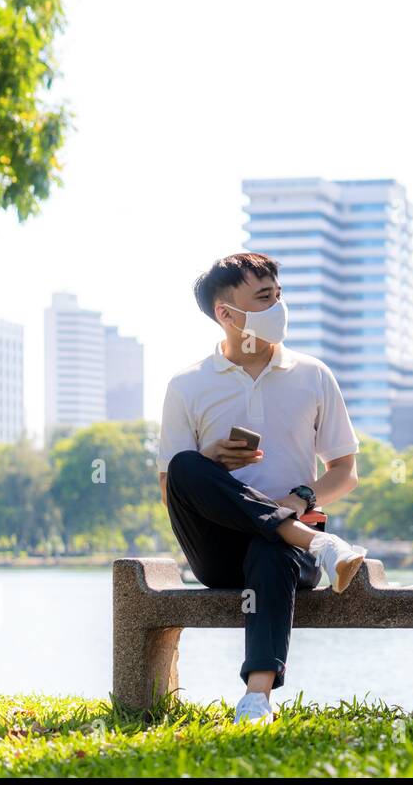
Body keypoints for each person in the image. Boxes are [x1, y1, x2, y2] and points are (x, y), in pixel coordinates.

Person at [156, 252, 367, 725]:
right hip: (219, 551)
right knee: (188, 464)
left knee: (270, 551)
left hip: (287, 560)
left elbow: (344, 470)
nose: (279, 307)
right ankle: (317, 542)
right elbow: (173, 488)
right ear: (226, 315)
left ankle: (257, 699)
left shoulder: (313, 375)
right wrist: (211, 460)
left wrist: (300, 500)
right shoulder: (187, 385)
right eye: (264, 298)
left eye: (279, 295)